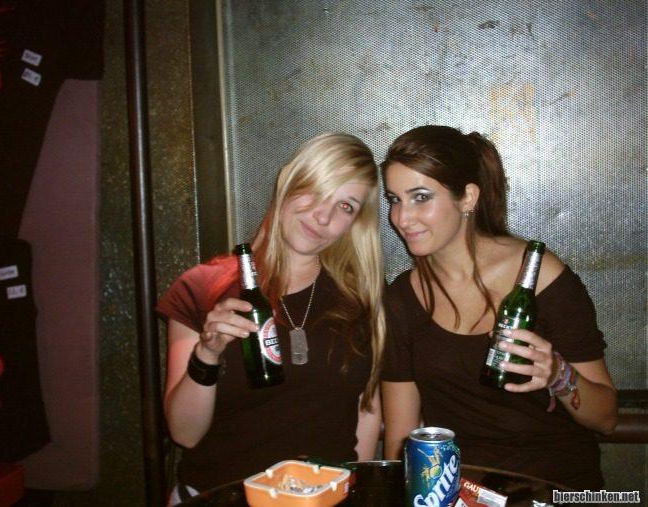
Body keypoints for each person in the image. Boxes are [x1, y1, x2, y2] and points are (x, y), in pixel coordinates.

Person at [379, 125, 617, 490]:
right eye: (394, 199)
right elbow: (402, 437)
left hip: (555, 485)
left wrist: (559, 374)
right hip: (460, 491)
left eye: (420, 197)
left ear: (468, 198)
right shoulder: (403, 299)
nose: (402, 218)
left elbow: (606, 418)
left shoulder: (538, 277)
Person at [156, 132, 386, 503]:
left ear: (355, 223)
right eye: (315, 191)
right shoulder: (203, 287)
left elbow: (365, 410)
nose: (323, 216)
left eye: (345, 206)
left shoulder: (362, 296)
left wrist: (353, 494)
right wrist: (207, 354)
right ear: (288, 184)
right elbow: (185, 433)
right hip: (220, 497)